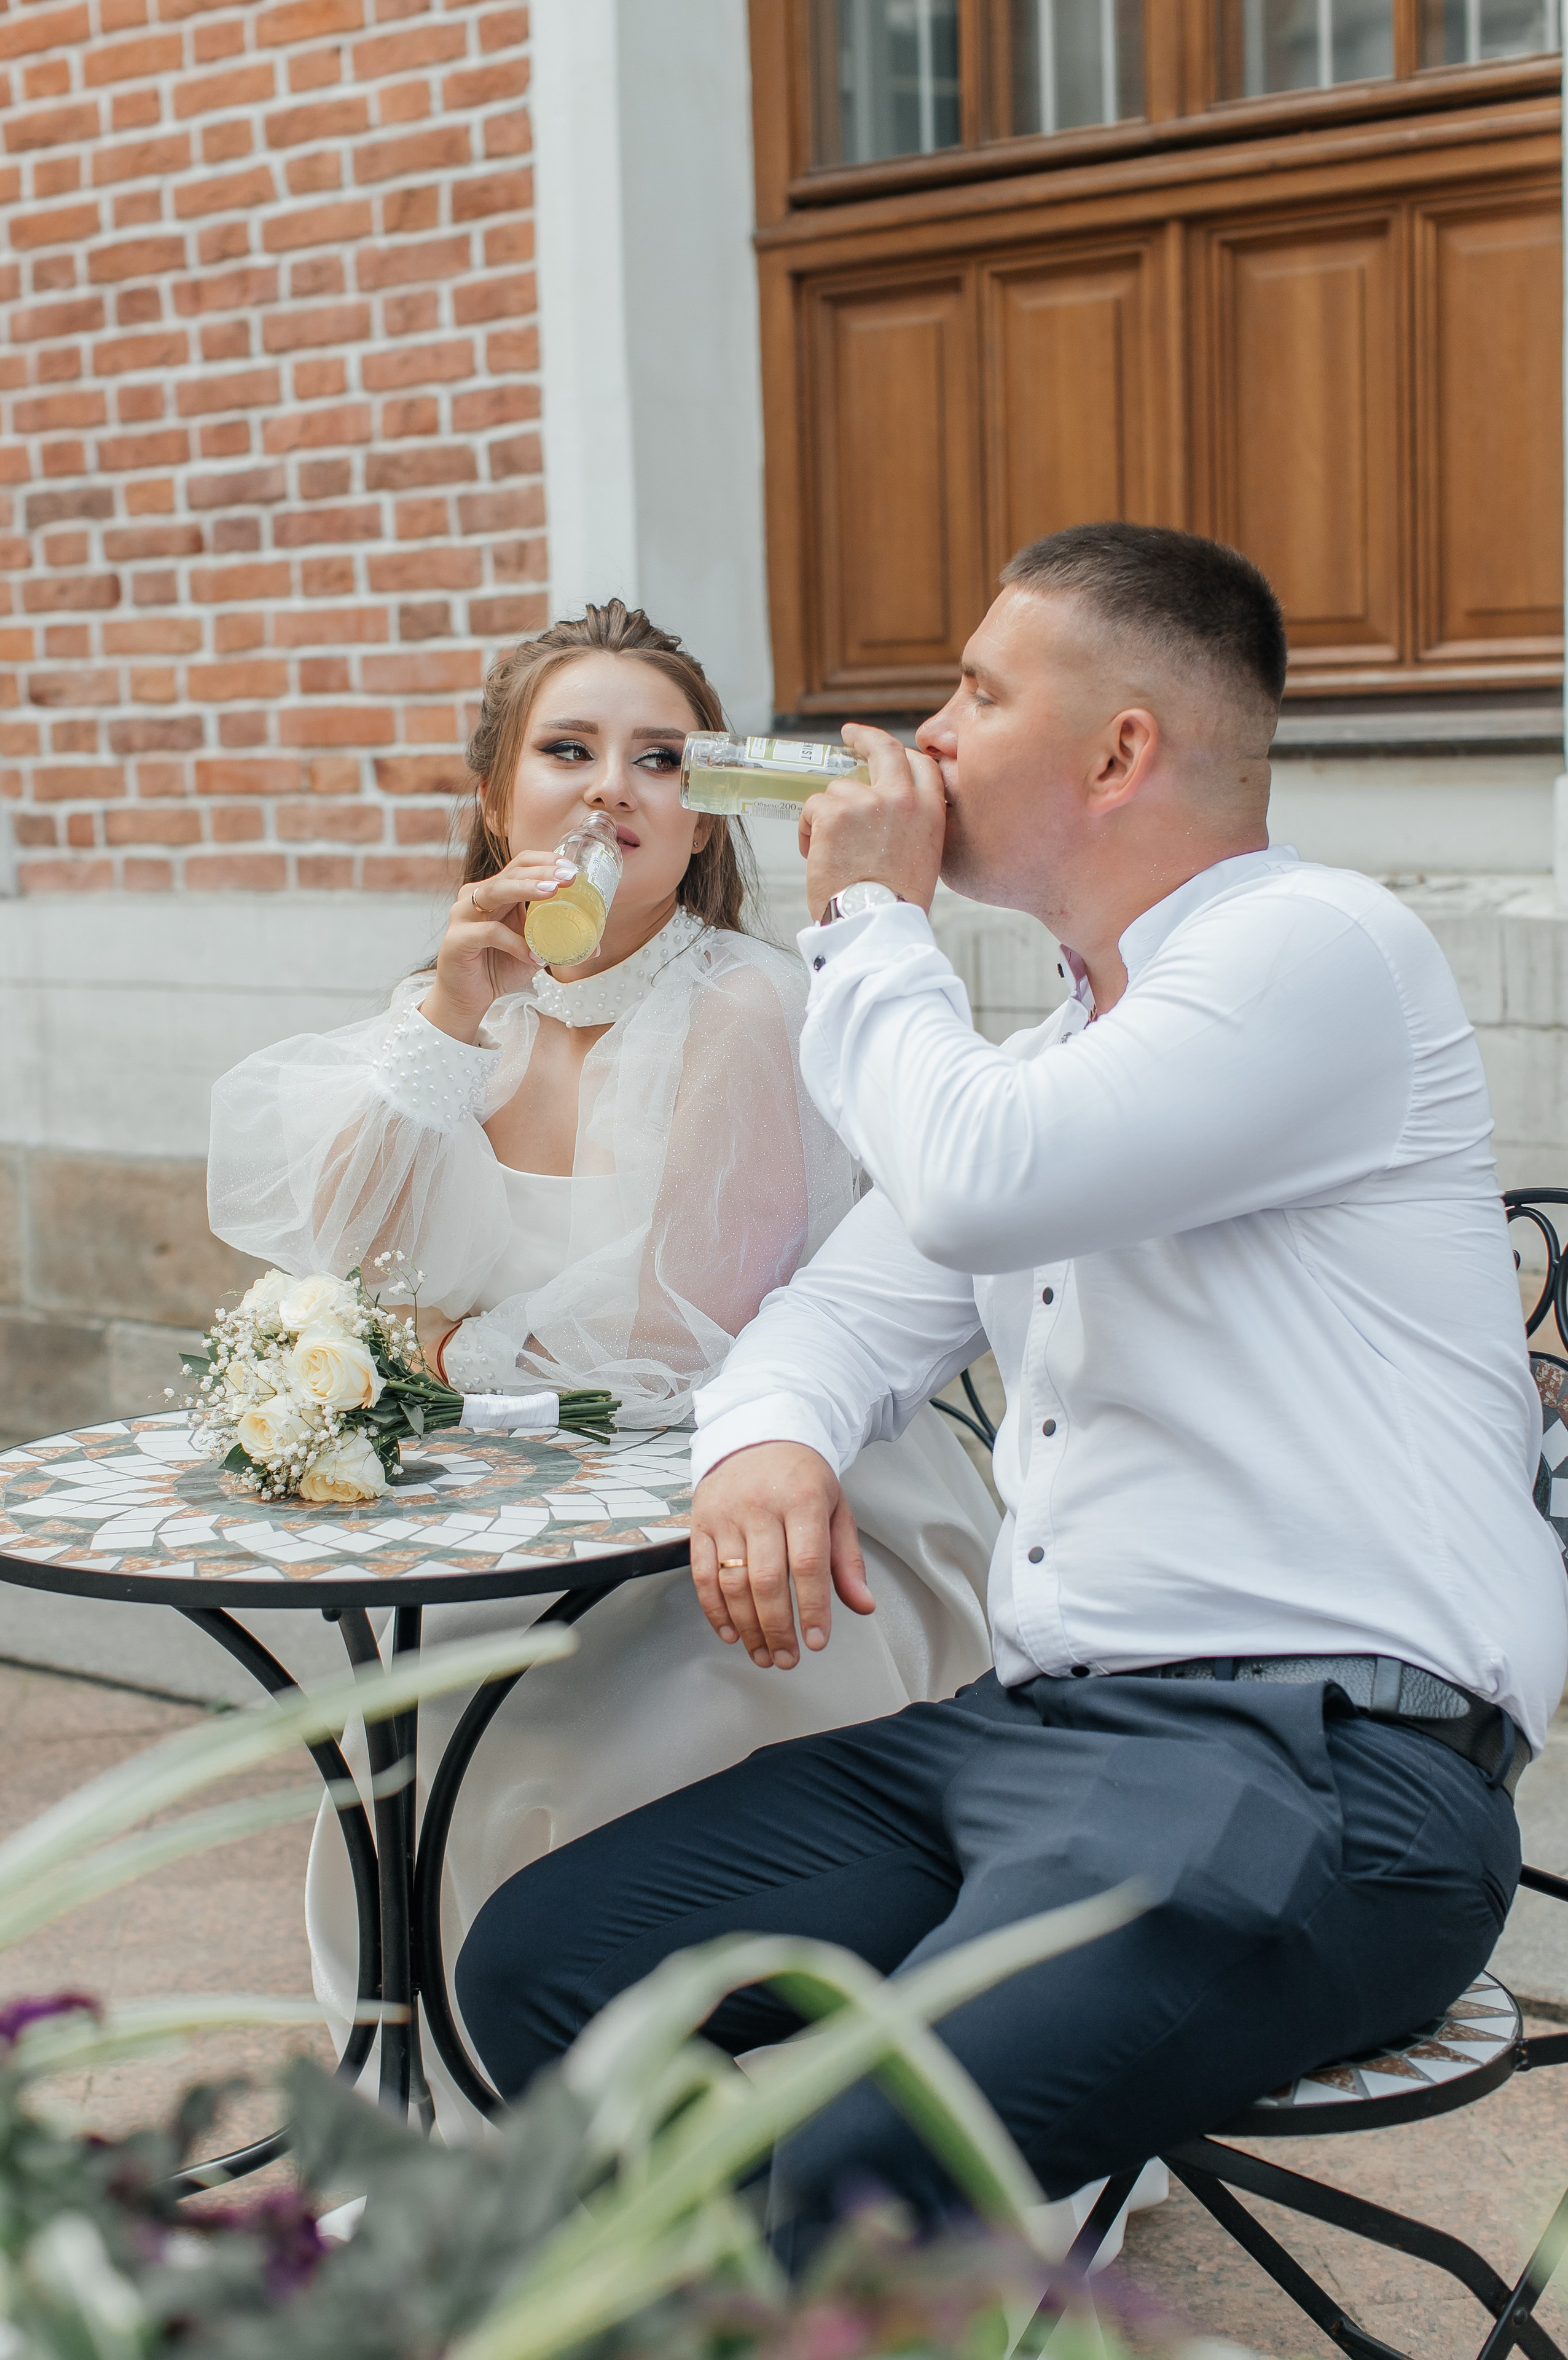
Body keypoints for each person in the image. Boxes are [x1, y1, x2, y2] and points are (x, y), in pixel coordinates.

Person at [454, 527, 1568, 2241]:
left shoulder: (1318, 951)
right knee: (549, 1963)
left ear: (1121, 751)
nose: (933, 734)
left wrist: (867, 909)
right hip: (1036, 1733)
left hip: (1329, 1769)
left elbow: (977, 1178)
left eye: (978, 689)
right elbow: (842, 1309)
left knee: (866, 2152)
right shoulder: (1062, 1057)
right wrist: (767, 1444)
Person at [206, 600, 997, 2131]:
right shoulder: (452, 1002)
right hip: (515, 1505)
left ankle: (675, 2154)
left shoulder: (747, 1004)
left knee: (572, 1744)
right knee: (404, 1758)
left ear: (700, 821)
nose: (611, 787)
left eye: (658, 758)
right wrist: (451, 1015)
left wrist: (427, 1353)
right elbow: (337, 1243)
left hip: (741, 1509)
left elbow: (669, 1342)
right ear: (497, 798)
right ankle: (444, 2129)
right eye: (567, 750)